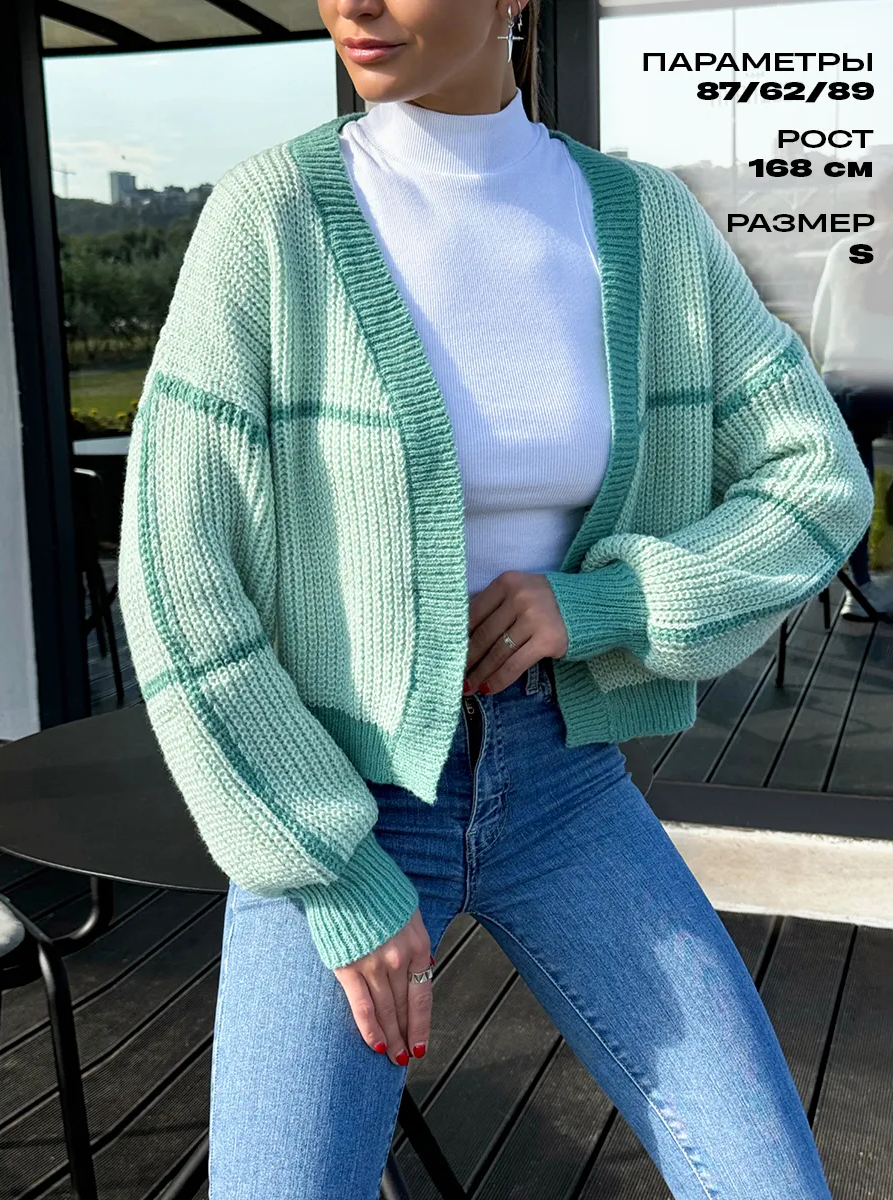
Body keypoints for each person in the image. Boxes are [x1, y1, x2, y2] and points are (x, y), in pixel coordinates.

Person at [116, 2, 874, 1197]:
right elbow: (178, 572)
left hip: (565, 790)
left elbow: (817, 479)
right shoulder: (275, 215)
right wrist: (331, 871)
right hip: (340, 803)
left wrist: (610, 601)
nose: (354, 3)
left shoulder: (645, 221)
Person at [810, 166, 893, 619]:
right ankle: (869, 583)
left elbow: (820, 328)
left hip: (837, 381)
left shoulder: (843, 249)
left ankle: (856, 587)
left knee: (856, 482)